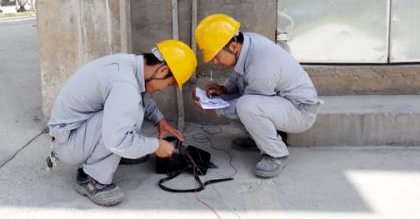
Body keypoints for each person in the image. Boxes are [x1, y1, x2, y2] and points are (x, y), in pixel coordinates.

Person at [48, 39, 197, 206]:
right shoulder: (125, 85)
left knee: (130, 110)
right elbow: (116, 138)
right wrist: (157, 146)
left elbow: (141, 95)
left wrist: (159, 119)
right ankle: (91, 178)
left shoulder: (130, 64)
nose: (162, 88)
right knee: (126, 121)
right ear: (162, 70)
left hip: (73, 133)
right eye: (168, 84)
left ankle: (113, 154)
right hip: (68, 145)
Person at [192, 14, 320, 178]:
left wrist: (214, 108)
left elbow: (246, 105)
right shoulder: (247, 42)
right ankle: (259, 140)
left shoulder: (262, 65)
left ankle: (276, 154)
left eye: (216, 56)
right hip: (281, 103)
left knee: (244, 106)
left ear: (232, 46)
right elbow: (239, 74)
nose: (215, 62)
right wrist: (225, 89)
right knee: (234, 103)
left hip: (300, 111)